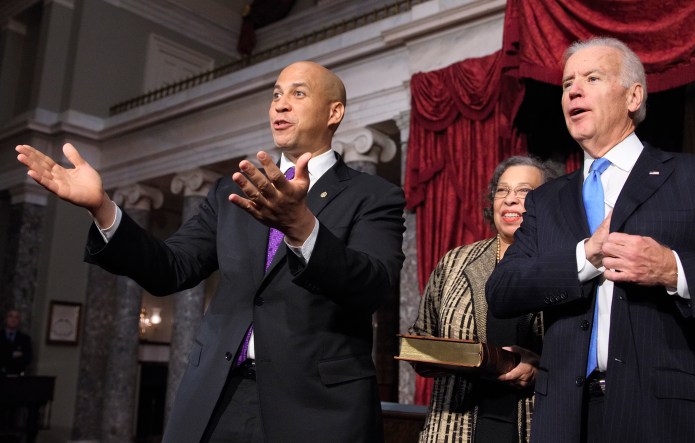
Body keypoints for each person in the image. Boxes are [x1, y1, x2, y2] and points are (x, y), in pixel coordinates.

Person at [16, 61, 406, 442]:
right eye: (275, 95)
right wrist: (101, 206)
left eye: (297, 94)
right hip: (218, 396)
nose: (280, 105)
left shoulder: (372, 195)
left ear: (334, 112)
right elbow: (170, 269)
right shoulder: (230, 191)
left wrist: (301, 227)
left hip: (316, 406)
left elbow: (374, 286)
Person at [486, 36, 695, 443]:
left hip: (668, 417)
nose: (574, 91)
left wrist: (674, 270)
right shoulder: (546, 201)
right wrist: (585, 256)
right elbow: (503, 290)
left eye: (592, 77)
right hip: (566, 419)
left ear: (633, 96)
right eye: (566, 84)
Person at [410, 156, 555, 442]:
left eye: (524, 191)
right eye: (502, 190)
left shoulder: (559, 265)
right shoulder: (455, 262)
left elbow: (582, 351)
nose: (510, 200)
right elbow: (421, 335)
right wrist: (433, 357)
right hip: (454, 427)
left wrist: (541, 368)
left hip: (532, 424)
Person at [0, 309, 33, 375]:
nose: (13, 319)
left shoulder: (25, 339)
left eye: (16, 317)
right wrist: (13, 354)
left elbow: (27, 359)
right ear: (6, 319)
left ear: (19, 321)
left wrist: (5, 355)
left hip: (17, 375)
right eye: (11, 316)